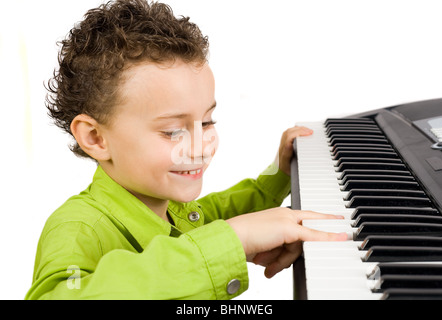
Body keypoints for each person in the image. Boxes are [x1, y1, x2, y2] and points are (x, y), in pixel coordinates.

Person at [25, 0, 347, 300]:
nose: (200, 146)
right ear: (95, 137)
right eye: (173, 131)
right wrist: (231, 240)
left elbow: (223, 211)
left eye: (207, 122)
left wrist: (277, 173)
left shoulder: (169, 206)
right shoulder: (77, 227)